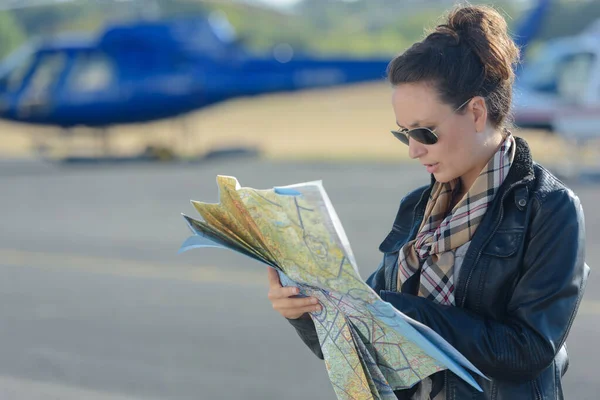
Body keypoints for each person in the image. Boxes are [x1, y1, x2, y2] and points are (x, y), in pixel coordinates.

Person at [266, 4, 590, 400]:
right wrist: (306, 309)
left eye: (424, 132)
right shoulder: (418, 207)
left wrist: (403, 315)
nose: (414, 150)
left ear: (475, 112)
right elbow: (364, 334)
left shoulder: (550, 207)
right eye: (404, 134)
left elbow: (527, 351)